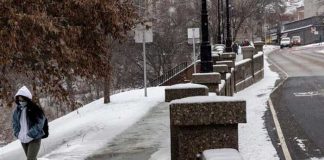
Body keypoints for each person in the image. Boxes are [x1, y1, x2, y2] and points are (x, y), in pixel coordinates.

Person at [12, 86, 46, 160]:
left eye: (22, 99)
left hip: (34, 138)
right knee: (30, 158)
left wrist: (30, 134)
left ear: (27, 98)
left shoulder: (35, 109)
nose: (21, 101)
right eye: (19, 99)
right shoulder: (17, 111)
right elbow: (15, 123)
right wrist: (18, 134)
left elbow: (40, 123)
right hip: (23, 139)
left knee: (30, 158)